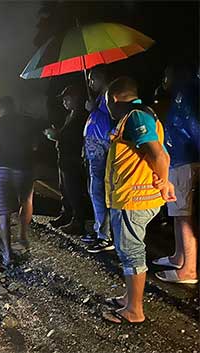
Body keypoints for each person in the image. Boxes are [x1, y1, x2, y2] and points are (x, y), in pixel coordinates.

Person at [101, 77, 176, 325]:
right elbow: (160, 152)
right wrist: (165, 181)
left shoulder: (135, 116)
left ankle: (134, 310)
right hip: (132, 198)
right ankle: (128, 298)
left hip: (132, 199)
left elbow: (159, 157)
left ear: (113, 98)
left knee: (131, 252)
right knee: (128, 250)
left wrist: (164, 181)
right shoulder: (142, 115)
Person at [152, 66, 199, 284]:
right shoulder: (180, 94)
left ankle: (188, 269)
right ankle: (178, 256)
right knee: (178, 213)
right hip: (178, 160)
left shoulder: (185, 94)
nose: (164, 79)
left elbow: (193, 127)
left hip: (184, 161)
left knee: (183, 216)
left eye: (166, 74)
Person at [0, 96, 38, 266]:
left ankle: (7, 254)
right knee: (26, 200)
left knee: (4, 212)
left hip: (4, 170)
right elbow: (35, 145)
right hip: (25, 169)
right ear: (14, 107)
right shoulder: (27, 121)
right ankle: (22, 236)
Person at [44, 85, 89, 235]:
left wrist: (56, 135)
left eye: (67, 98)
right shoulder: (70, 115)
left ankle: (78, 221)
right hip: (64, 159)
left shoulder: (82, 116)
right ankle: (66, 215)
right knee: (65, 189)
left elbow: (75, 138)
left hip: (73, 160)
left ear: (76, 98)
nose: (64, 101)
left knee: (74, 190)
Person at [83, 67, 115, 253]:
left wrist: (95, 110)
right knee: (95, 192)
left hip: (104, 152)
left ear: (101, 78)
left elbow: (111, 122)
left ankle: (105, 236)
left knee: (100, 192)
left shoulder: (110, 96)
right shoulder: (99, 98)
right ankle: (99, 230)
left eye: (92, 79)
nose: (90, 83)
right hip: (95, 153)